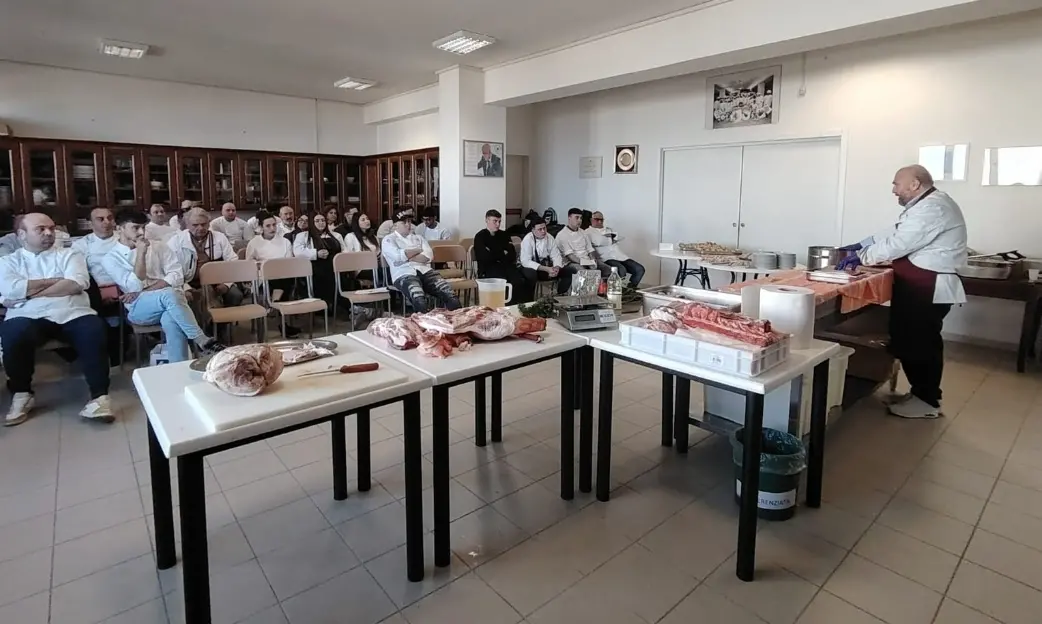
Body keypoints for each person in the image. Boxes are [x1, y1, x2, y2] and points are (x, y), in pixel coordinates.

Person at [836, 165, 967, 419]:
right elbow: (896, 231)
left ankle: (928, 401)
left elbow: (900, 243)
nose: (894, 190)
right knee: (909, 339)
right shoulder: (923, 206)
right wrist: (863, 244)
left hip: (928, 286)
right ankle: (920, 393)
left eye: (897, 184)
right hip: (919, 284)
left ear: (915, 185)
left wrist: (860, 257)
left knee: (921, 343)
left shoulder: (934, 207)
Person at [0, 213, 114, 425]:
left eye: (51, 228)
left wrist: (26, 292)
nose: (49, 233)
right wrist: (55, 282)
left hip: (72, 312)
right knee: (13, 333)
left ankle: (99, 398)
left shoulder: (70, 255)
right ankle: (22, 394)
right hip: (28, 315)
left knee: (93, 329)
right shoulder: (7, 261)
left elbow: (75, 284)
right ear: (21, 235)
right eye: (41, 229)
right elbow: (10, 288)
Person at [102, 211, 223, 363]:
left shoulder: (159, 246)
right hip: (139, 308)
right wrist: (141, 252)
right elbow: (133, 286)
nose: (141, 233)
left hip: (170, 303)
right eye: (135, 228)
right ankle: (201, 339)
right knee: (170, 294)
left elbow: (177, 275)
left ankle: (178, 369)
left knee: (172, 320)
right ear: (119, 229)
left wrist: (144, 291)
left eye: (143, 228)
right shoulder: (110, 258)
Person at [71, 207, 124, 363]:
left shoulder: (123, 238)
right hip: (96, 291)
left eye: (109, 218)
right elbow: (79, 274)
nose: (106, 223)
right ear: (90, 223)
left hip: (123, 286)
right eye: (100, 219)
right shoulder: (81, 245)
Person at [167, 208, 243, 314]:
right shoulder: (176, 241)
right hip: (188, 283)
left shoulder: (219, 238)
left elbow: (233, 262)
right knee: (185, 300)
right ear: (187, 225)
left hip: (217, 281)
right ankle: (200, 328)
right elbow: (171, 270)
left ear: (209, 223)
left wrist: (227, 283)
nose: (201, 228)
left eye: (204, 224)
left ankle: (222, 326)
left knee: (235, 295)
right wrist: (184, 288)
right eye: (195, 225)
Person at [381, 210, 460, 313]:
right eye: (404, 222)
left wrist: (407, 256)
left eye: (409, 221)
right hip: (404, 274)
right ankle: (424, 326)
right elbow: (397, 256)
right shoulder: (388, 240)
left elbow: (428, 256)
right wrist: (418, 251)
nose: (408, 225)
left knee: (450, 294)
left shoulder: (419, 238)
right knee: (419, 299)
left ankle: (458, 322)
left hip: (425, 271)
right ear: (395, 225)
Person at [293, 212, 348, 312]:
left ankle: (346, 307)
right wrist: (316, 254)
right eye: (317, 221)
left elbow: (344, 250)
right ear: (311, 223)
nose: (321, 223)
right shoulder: (303, 236)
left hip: (336, 267)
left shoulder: (336, 235)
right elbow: (298, 252)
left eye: (323, 220)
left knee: (344, 277)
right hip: (315, 268)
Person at [474, 209, 532, 303]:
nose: (497, 224)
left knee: (520, 280)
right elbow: (484, 257)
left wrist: (494, 252)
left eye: (499, 221)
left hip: (506, 265)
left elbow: (512, 254)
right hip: (488, 268)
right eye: (495, 221)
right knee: (503, 282)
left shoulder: (504, 234)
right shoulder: (480, 236)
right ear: (487, 220)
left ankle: (519, 306)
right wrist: (502, 252)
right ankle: (504, 306)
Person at [587, 211, 645, 287]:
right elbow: (597, 242)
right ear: (592, 220)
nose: (600, 221)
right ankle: (615, 291)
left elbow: (619, 238)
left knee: (640, 269)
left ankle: (629, 290)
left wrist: (612, 238)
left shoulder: (609, 230)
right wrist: (609, 240)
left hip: (619, 255)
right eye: (597, 219)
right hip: (605, 257)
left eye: (602, 220)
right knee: (621, 270)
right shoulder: (588, 232)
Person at [556, 207, 611, 278]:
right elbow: (571, 257)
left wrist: (592, 260)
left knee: (608, 270)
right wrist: (587, 263)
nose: (579, 220)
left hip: (587, 259)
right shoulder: (562, 235)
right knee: (585, 273)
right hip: (572, 263)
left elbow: (590, 250)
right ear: (569, 218)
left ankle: (602, 288)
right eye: (577, 218)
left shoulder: (583, 232)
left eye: (581, 218)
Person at [520, 220, 571, 295]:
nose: (543, 231)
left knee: (570, 271)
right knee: (531, 275)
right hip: (532, 267)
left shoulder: (549, 237)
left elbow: (556, 255)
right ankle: (530, 299)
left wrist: (556, 268)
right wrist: (546, 269)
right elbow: (526, 261)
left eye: (544, 228)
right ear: (533, 230)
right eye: (540, 229)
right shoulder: (528, 239)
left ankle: (559, 294)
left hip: (548, 265)